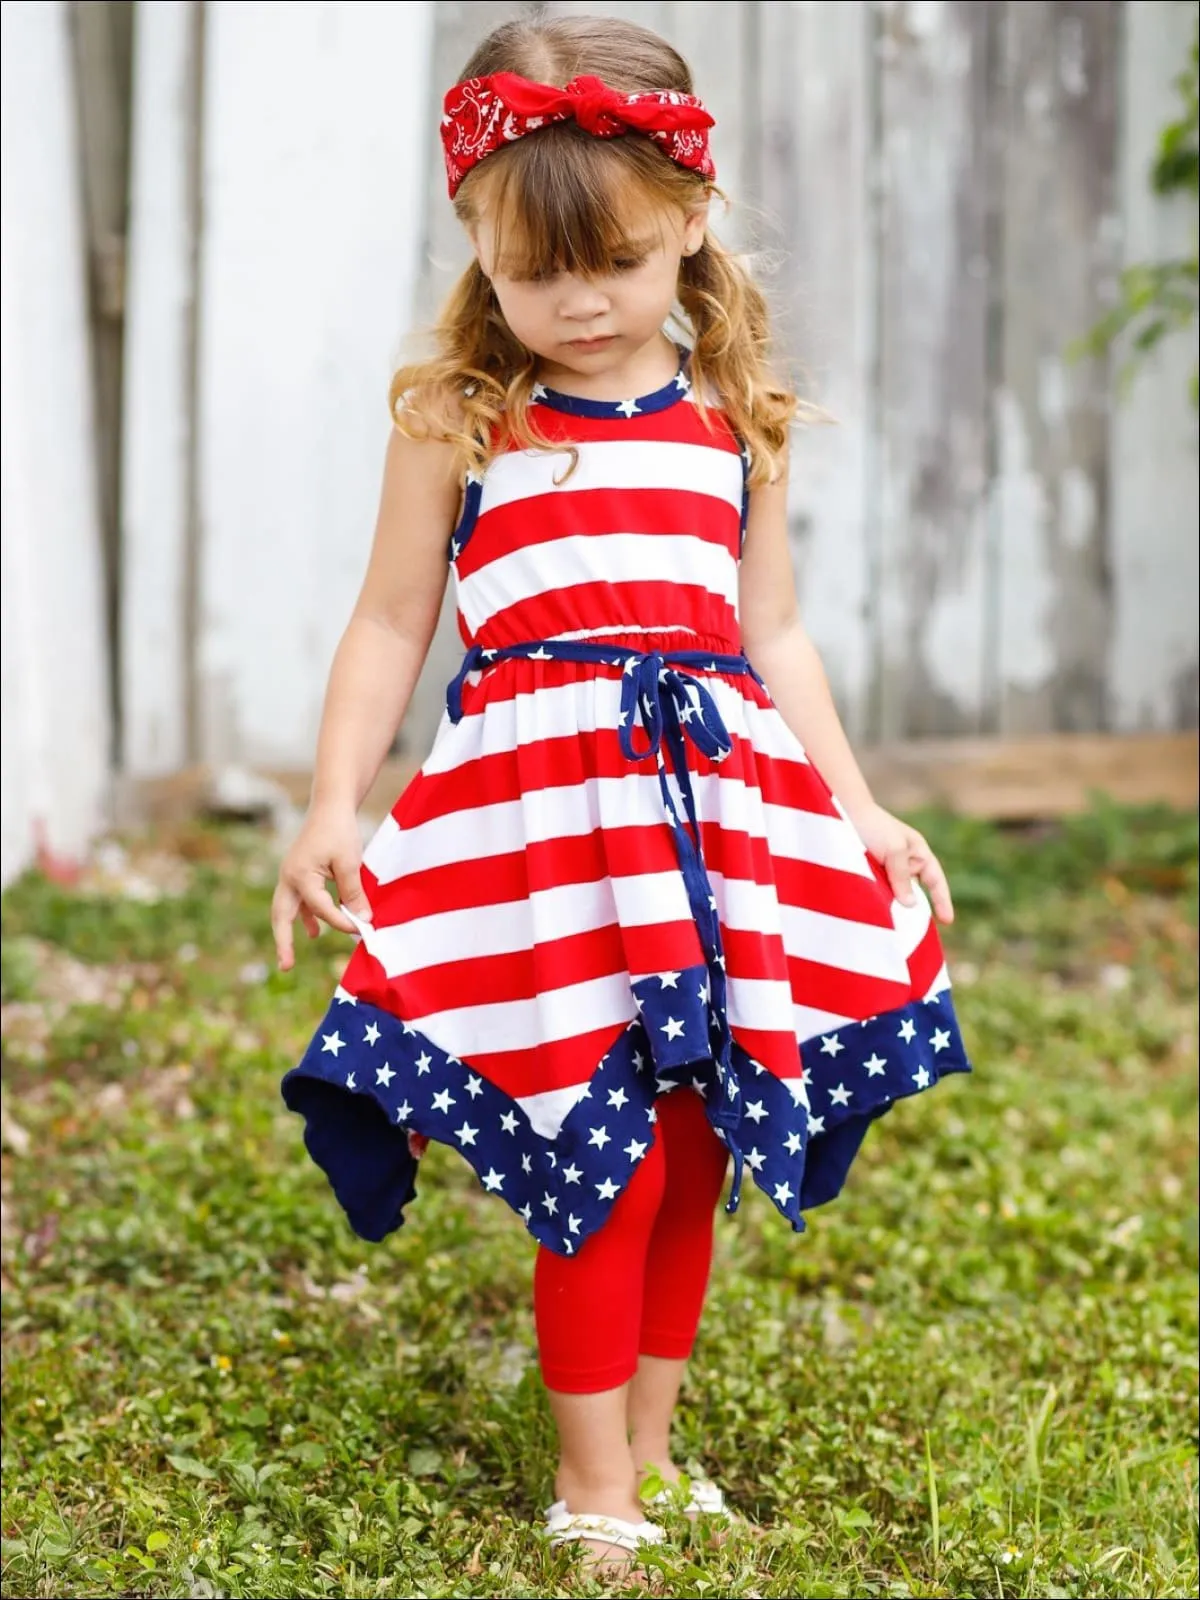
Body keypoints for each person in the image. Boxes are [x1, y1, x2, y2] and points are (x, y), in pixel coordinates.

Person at [272, 10, 970, 1571]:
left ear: (690, 227)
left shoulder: (732, 421)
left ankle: (652, 1453)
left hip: (709, 830)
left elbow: (769, 629)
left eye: (623, 263)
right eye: (535, 272)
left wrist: (850, 805)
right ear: (477, 242)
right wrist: (336, 804)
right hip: (543, 843)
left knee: (702, 1144)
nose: (579, 304)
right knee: (606, 1146)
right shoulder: (459, 419)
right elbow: (392, 619)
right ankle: (591, 1489)